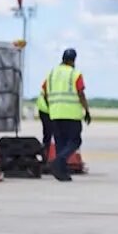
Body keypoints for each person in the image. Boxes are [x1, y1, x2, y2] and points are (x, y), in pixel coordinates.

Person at [41, 48, 91, 182]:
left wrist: (51, 106)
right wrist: (86, 110)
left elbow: (44, 91)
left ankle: (61, 172)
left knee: (60, 143)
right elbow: (80, 93)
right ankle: (59, 161)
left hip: (55, 114)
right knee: (75, 141)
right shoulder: (75, 74)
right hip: (71, 114)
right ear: (73, 60)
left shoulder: (51, 73)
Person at [35, 78, 53, 154]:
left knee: (48, 133)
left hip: (45, 109)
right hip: (46, 109)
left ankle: (46, 151)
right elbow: (46, 94)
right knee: (48, 133)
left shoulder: (51, 77)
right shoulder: (52, 79)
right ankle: (46, 152)